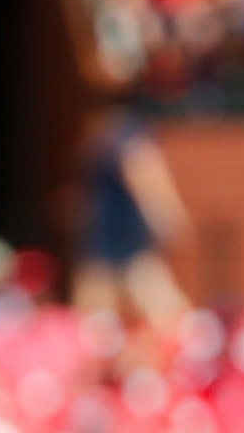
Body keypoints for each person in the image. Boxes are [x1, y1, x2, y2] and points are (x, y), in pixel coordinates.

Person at [71, 107, 190, 326]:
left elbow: (144, 172)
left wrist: (164, 215)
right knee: (95, 314)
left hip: (125, 237)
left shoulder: (125, 132)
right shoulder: (108, 133)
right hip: (105, 237)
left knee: (159, 307)